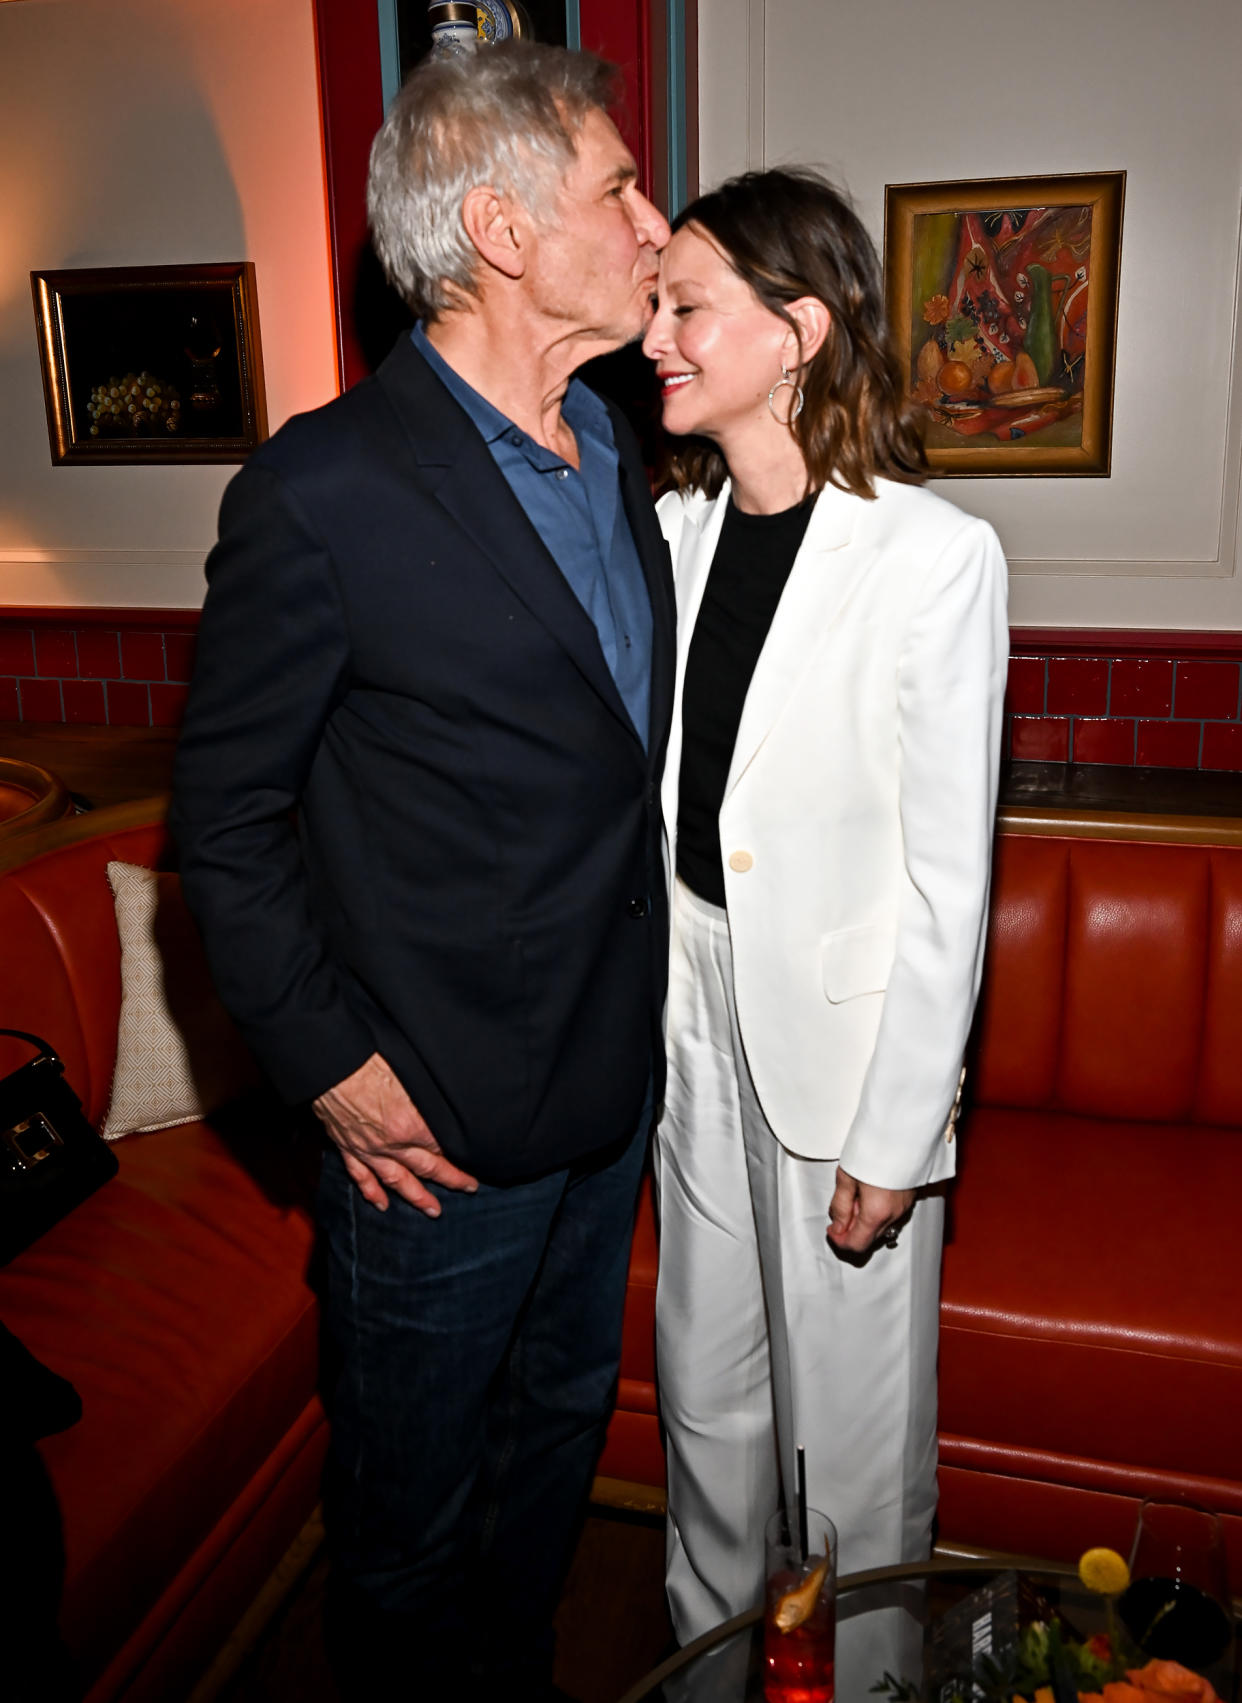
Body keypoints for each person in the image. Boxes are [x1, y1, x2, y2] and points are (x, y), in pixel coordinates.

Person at [171, 43, 673, 1702]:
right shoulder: (318, 493)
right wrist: (328, 1070)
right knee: (407, 1514)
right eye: (616, 186)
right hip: (431, 1135)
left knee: (546, 1460)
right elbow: (225, 823)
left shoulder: (614, 438)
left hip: (606, 1096)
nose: (651, 221)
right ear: (503, 229)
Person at [641, 167, 1008, 1693]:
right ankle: (711, 1674)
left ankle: (862, 1690)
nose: (653, 332)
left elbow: (947, 881)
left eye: (684, 305)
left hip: (846, 1055)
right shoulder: (670, 535)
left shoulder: (931, 558)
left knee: (843, 1448)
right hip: (687, 1021)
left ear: (795, 330)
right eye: (654, 301)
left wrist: (896, 1128)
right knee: (705, 1410)